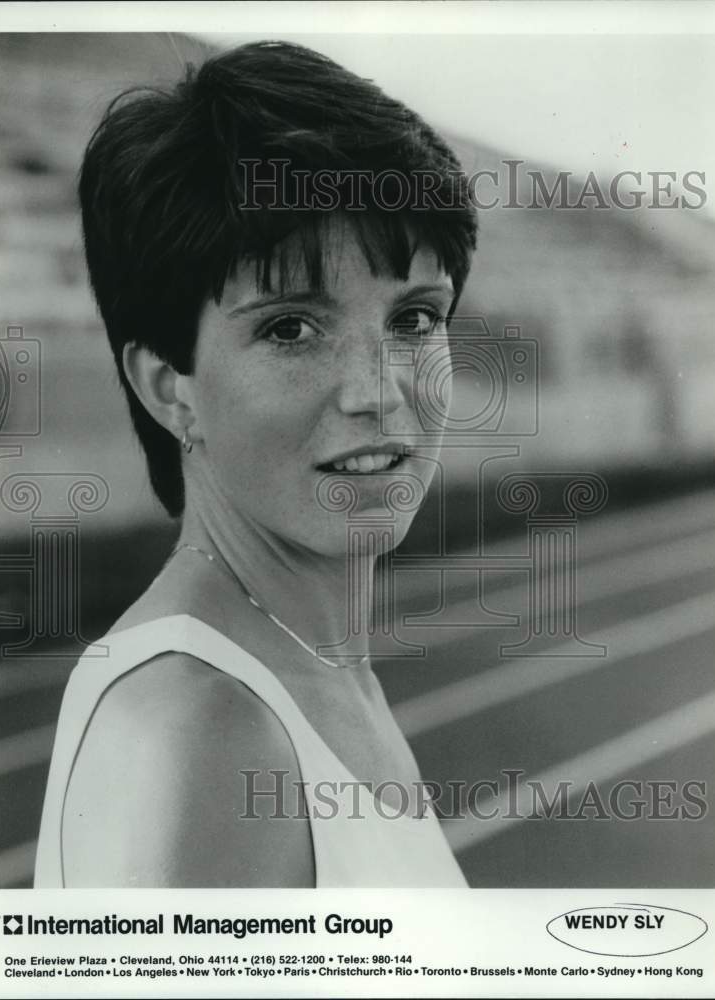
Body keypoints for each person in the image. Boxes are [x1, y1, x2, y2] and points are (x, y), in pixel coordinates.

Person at [34, 40, 477, 888]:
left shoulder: (305, 669)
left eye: (415, 319)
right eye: (289, 329)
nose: (375, 393)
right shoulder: (204, 726)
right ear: (170, 388)